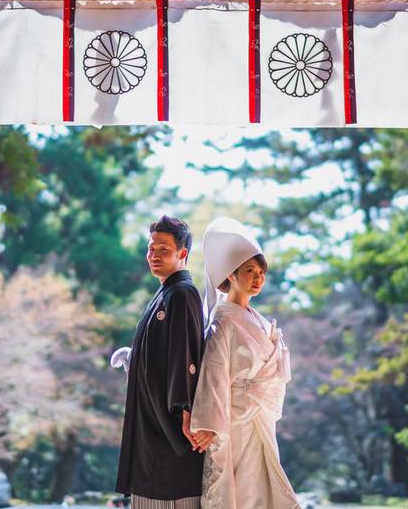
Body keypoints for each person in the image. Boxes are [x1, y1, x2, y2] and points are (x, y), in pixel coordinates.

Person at [189, 217, 301, 509]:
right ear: (231, 274)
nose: (257, 277)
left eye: (261, 271)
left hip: (259, 419)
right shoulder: (223, 321)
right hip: (235, 422)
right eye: (249, 270)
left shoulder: (259, 320)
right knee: (244, 493)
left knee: (265, 491)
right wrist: (209, 425)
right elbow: (213, 375)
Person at [114, 215, 206, 509]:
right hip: (152, 423)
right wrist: (134, 357)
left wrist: (185, 410)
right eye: (151, 248)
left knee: (168, 494)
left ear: (182, 254)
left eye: (163, 249)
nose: (154, 255)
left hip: (170, 430)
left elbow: (185, 355)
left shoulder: (182, 293)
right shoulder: (166, 292)